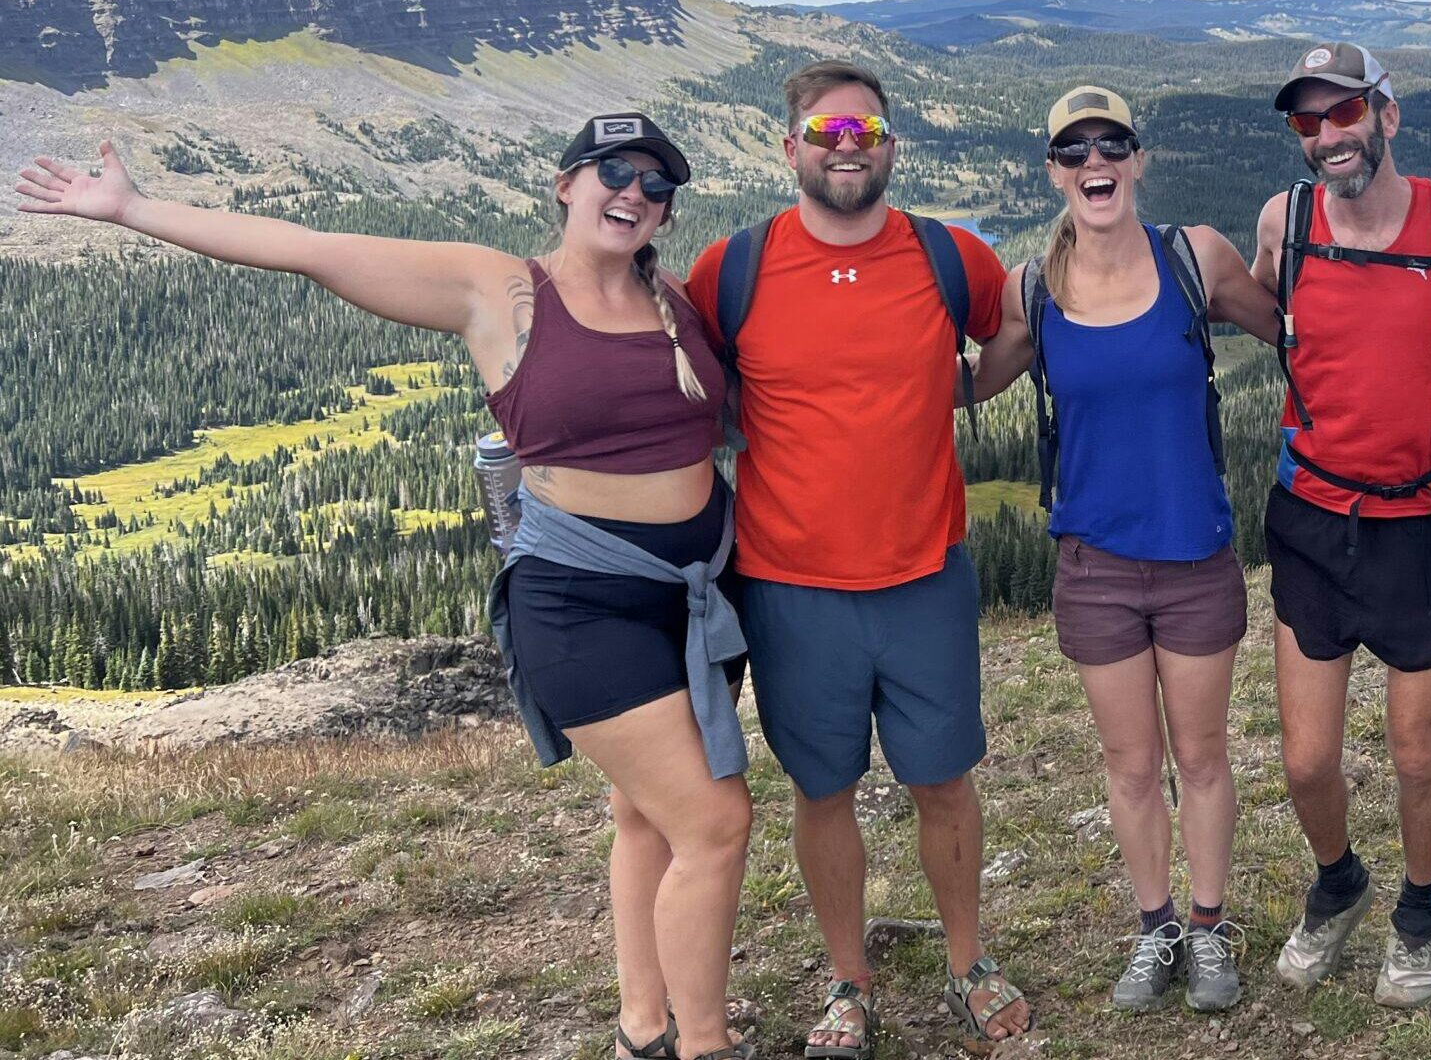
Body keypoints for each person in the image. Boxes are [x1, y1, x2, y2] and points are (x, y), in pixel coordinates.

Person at [16, 115, 757, 1060]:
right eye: (614, 170)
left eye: (658, 185)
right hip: (581, 600)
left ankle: (643, 1027)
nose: (636, 194)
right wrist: (132, 209)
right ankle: (706, 1044)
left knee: (646, 809)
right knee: (716, 820)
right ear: (565, 185)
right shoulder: (498, 289)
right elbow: (312, 250)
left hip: (691, 593)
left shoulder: (677, 300)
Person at [685, 61, 1029, 1059]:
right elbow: (692, 385)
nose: (847, 147)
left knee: (943, 781)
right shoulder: (731, 268)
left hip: (925, 573)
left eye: (866, 133)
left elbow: (1008, 332)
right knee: (820, 789)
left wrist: (954, 396)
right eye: (828, 132)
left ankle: (968, 962)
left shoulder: (945, 255)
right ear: (787, 146)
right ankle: (848, 979)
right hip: (791, 587)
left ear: (891, 147)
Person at [970, 86, 1278, 1013]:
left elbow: (1299, 334)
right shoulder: (1034, 290)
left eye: (1112, 144)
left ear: (1139, 160)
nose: (1094, 161)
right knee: (1131, 763)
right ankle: (1158, 926)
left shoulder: (1197, 259)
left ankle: (1212, 923)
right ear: (1055, 171)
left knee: (1206, 753)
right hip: (1095, 568)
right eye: (1075, 150)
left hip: (1194, 557)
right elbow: (964, 384)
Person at [1247, 44, 1431, 1007]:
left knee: (1416, 747)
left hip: (1423, 523)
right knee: (1306, 757)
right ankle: (1338, 879)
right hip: (1312, 514)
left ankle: (1420, 911)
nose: (1327, 137)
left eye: (1343, 113)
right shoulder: (1285, 220)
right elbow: (1288, 326)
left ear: (1386, 116)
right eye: (1307, 123)